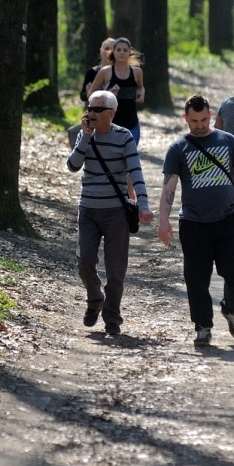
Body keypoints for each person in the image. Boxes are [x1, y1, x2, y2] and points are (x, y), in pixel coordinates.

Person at [158, 95, 234, 349]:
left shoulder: (227, 140)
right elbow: (169, 186)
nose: (199, 125)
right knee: (196, 279)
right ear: (185, 119)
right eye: (194, 121)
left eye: (204, 119)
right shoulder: (178, 148)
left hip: (228, 219)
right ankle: (203, 327)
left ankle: (229, 308)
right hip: (194, 224)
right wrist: (164, 220)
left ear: (211, 114)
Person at [67, 90, 153, 336]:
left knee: (116, 270)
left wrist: (144, 205)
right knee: (84, 261)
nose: (91, 112)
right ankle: (95, 300)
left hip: (116, 212)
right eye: (89, 107)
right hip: (88, 210)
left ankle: (112, 317)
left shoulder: (124, 137)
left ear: (112, 113)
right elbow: (73, 166)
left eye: (98, 109)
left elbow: (136, 173)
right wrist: (85, 136)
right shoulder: (83, 134)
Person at [87, 37, 144, 146]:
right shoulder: (106, 72)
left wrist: (141, 94)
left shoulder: (137, 72)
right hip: (109, 125)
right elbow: (90, 94)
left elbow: (141, 87)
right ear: (113, 52)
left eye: (125, 50)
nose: (122, 53)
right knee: (111, 160)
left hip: (132, 125)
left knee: (128, 160)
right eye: (118, 50)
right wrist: (107, 94)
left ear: (129, 52)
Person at [79, 38, 116, 102]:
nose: (109, 52)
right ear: (101, 50)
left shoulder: (122, 73)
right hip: (96, 110)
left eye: (113, 49)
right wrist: (88, 93)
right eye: (107, 48)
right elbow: (83, 96)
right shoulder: (92, 72)